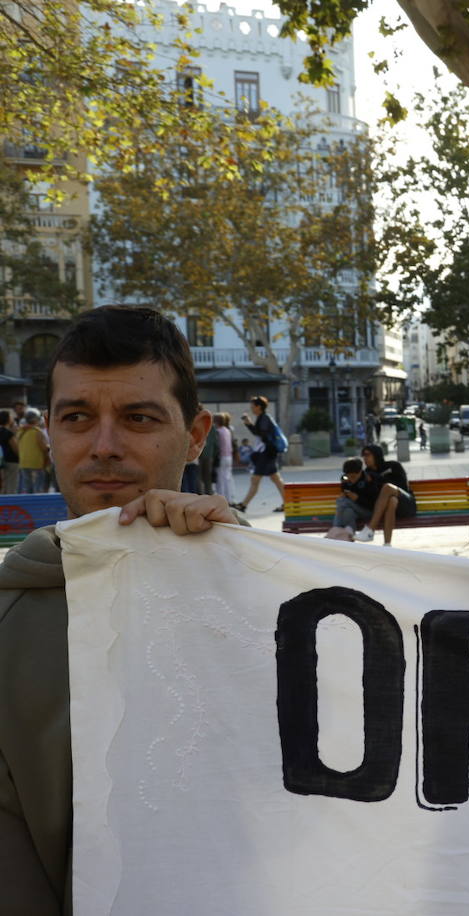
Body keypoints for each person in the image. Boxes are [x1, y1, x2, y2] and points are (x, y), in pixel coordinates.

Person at [0, 305, 239, 915]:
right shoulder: (10, 624)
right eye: (78, 418)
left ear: (195, 433)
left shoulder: (282, 603)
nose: (104, 447)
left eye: (138, 418)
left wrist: (249, 574)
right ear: (49, 431)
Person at [352, 443, 416, 545]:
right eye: (363, 455)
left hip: (407, 503)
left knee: (387, 487)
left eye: (368, 455)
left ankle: (370, 529)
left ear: (376, 455)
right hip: (390, 507)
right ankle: (387, 544)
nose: (365, 458)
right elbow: (371, 498)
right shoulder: (367, 473)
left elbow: (402, 486)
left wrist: (378, 479)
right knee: (392, 500)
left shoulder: (393, 465)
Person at [233, 395, 287, 512]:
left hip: (266, 453)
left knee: (255, 479)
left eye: (253, 406)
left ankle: (243, 505)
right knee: (276, 479)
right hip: (269, 453)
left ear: (259, 407)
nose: (251, 409)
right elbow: (259, 433)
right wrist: (249, 424)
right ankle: (288, 503)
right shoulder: (263, 417)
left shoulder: (264, 418)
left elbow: (262, 434)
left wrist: (249, 424)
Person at [15, 407, 50, 494]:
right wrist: (49, 447)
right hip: (36, 463)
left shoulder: (20, 431)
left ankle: (27, 506)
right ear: (37, 419)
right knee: (38, 488)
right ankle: (37, 507)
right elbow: (43, 448)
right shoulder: (37, 432)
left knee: (27, 487)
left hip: (23, 462)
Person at [214, 412, 236, 503]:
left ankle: (221, 499)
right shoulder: (227, 430)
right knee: (228, 478)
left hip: (222, 457)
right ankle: (230, 498)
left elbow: (217, 445)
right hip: (229, 456)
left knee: (220, 479)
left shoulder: (218, 431)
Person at [0, 408, 16, 493]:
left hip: (1, 461)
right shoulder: (8, 433)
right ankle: (11, 504)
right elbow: (15, 448)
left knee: (3, 485)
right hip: (11, 461)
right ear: (8, 419)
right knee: (12, 485)